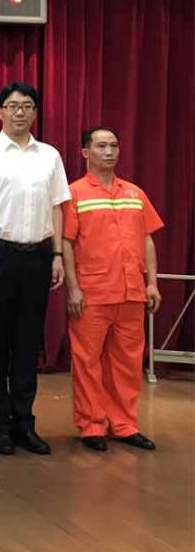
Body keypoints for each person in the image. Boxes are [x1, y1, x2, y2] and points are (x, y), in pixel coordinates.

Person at [0, 81, 70, 456]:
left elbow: (57, 206)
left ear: (36, 112)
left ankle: (24, 422)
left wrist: (57, 255)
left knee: (28, 343)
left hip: (38, 255)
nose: (20, 112)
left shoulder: (50, 156)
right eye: (12, 105)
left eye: (27, 105)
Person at [61, 126, 162, 452]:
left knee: (128, 362)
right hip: (92, 291)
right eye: (101, 146)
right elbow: (66, 242)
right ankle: (91, 425)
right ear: (85, 152)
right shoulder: (75, 193)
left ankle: (124, 424)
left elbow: (146, 239)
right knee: (87, 361)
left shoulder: (134, 193)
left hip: (132, 291)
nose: (109, 152)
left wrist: (152, 283)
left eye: (114, 146)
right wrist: (72, 287)